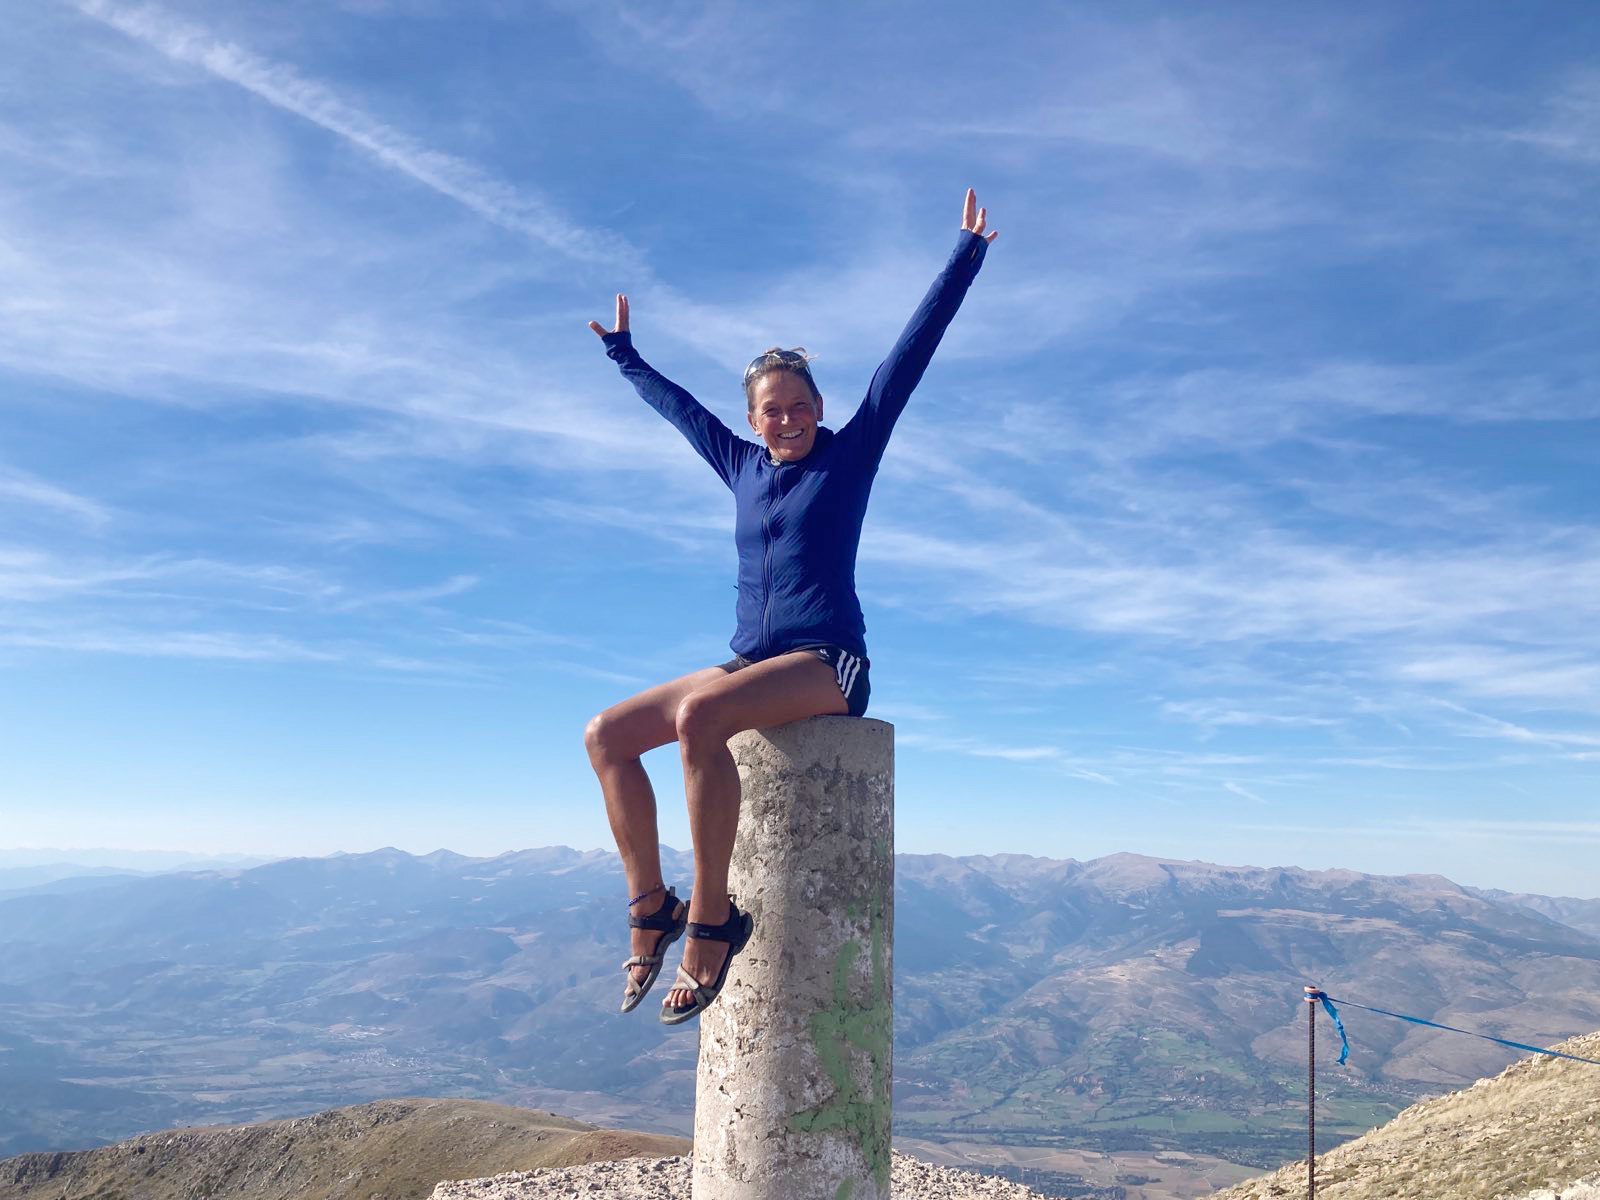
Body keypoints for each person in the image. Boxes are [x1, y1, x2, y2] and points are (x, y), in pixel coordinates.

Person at [584, 188, 997, 1024]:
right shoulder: (739, 463)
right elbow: (680, 412)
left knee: (702, 716)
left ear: (819, 409)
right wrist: (625, 355)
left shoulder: (849, 457)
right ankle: (650, 906)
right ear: (754, 418)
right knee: (609, 735)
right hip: (751, 659)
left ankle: (710, 921)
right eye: (772, 409)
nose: (788, 419)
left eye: (801, 405)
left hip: (829, 662)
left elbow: (905, 360)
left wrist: (963, 257)